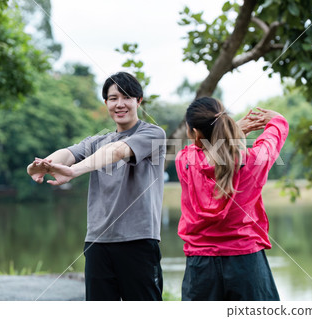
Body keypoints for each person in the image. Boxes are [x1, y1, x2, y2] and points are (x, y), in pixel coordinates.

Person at [27, 72, 166, 301]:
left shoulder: (153, 134)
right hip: (97, 243)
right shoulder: (97, 141)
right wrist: (41, 165)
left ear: (139, 101)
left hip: (138, 242)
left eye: (127, 97)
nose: (120, 104)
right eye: (113, 98)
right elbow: (68, 153)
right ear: (106, 103)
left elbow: (118, 151)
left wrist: (73, 171)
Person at [175, 97, 288, 301]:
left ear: (194, 133)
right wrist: (278, 119)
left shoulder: (185, 161)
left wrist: (233, 130)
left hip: (200, 265)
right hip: (247, 262)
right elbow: (272, 141)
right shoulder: (253, 161)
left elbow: (204, 149)